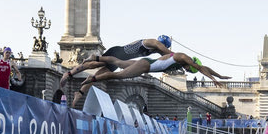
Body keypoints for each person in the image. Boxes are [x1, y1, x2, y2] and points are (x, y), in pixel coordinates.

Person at [60, 36, 173, 106]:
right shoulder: (153, 42)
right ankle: (69, 73)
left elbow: (164, 58)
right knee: (94, 64)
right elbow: (168, 54)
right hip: (117, 52)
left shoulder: (154, 50)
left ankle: (79, 93)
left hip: (119, 60)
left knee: (98, 76)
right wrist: (180, 59)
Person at [80, 52, 231, 89]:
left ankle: (96, 58)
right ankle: (91, 79)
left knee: (119, 62)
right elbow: (200, 68)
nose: (186, 70)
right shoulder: (182, 57)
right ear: (189, 64)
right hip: (146, 66)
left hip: (147, 63)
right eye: (188, 69)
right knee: (118, 75)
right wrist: (213, 80)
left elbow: (204, 67)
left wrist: (220, 75)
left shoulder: (182, 61)